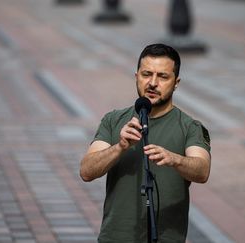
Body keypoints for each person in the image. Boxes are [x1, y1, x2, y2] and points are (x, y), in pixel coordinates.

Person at [80, 43, 211, 242]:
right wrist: (120, 146)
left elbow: (202, 171)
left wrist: (175, 159)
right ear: (136, 77)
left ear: (176, 82)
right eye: (146, 74)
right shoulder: (114, 120)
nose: (152, 83)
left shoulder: (190, 126)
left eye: (163, 76)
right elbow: (87, 171)